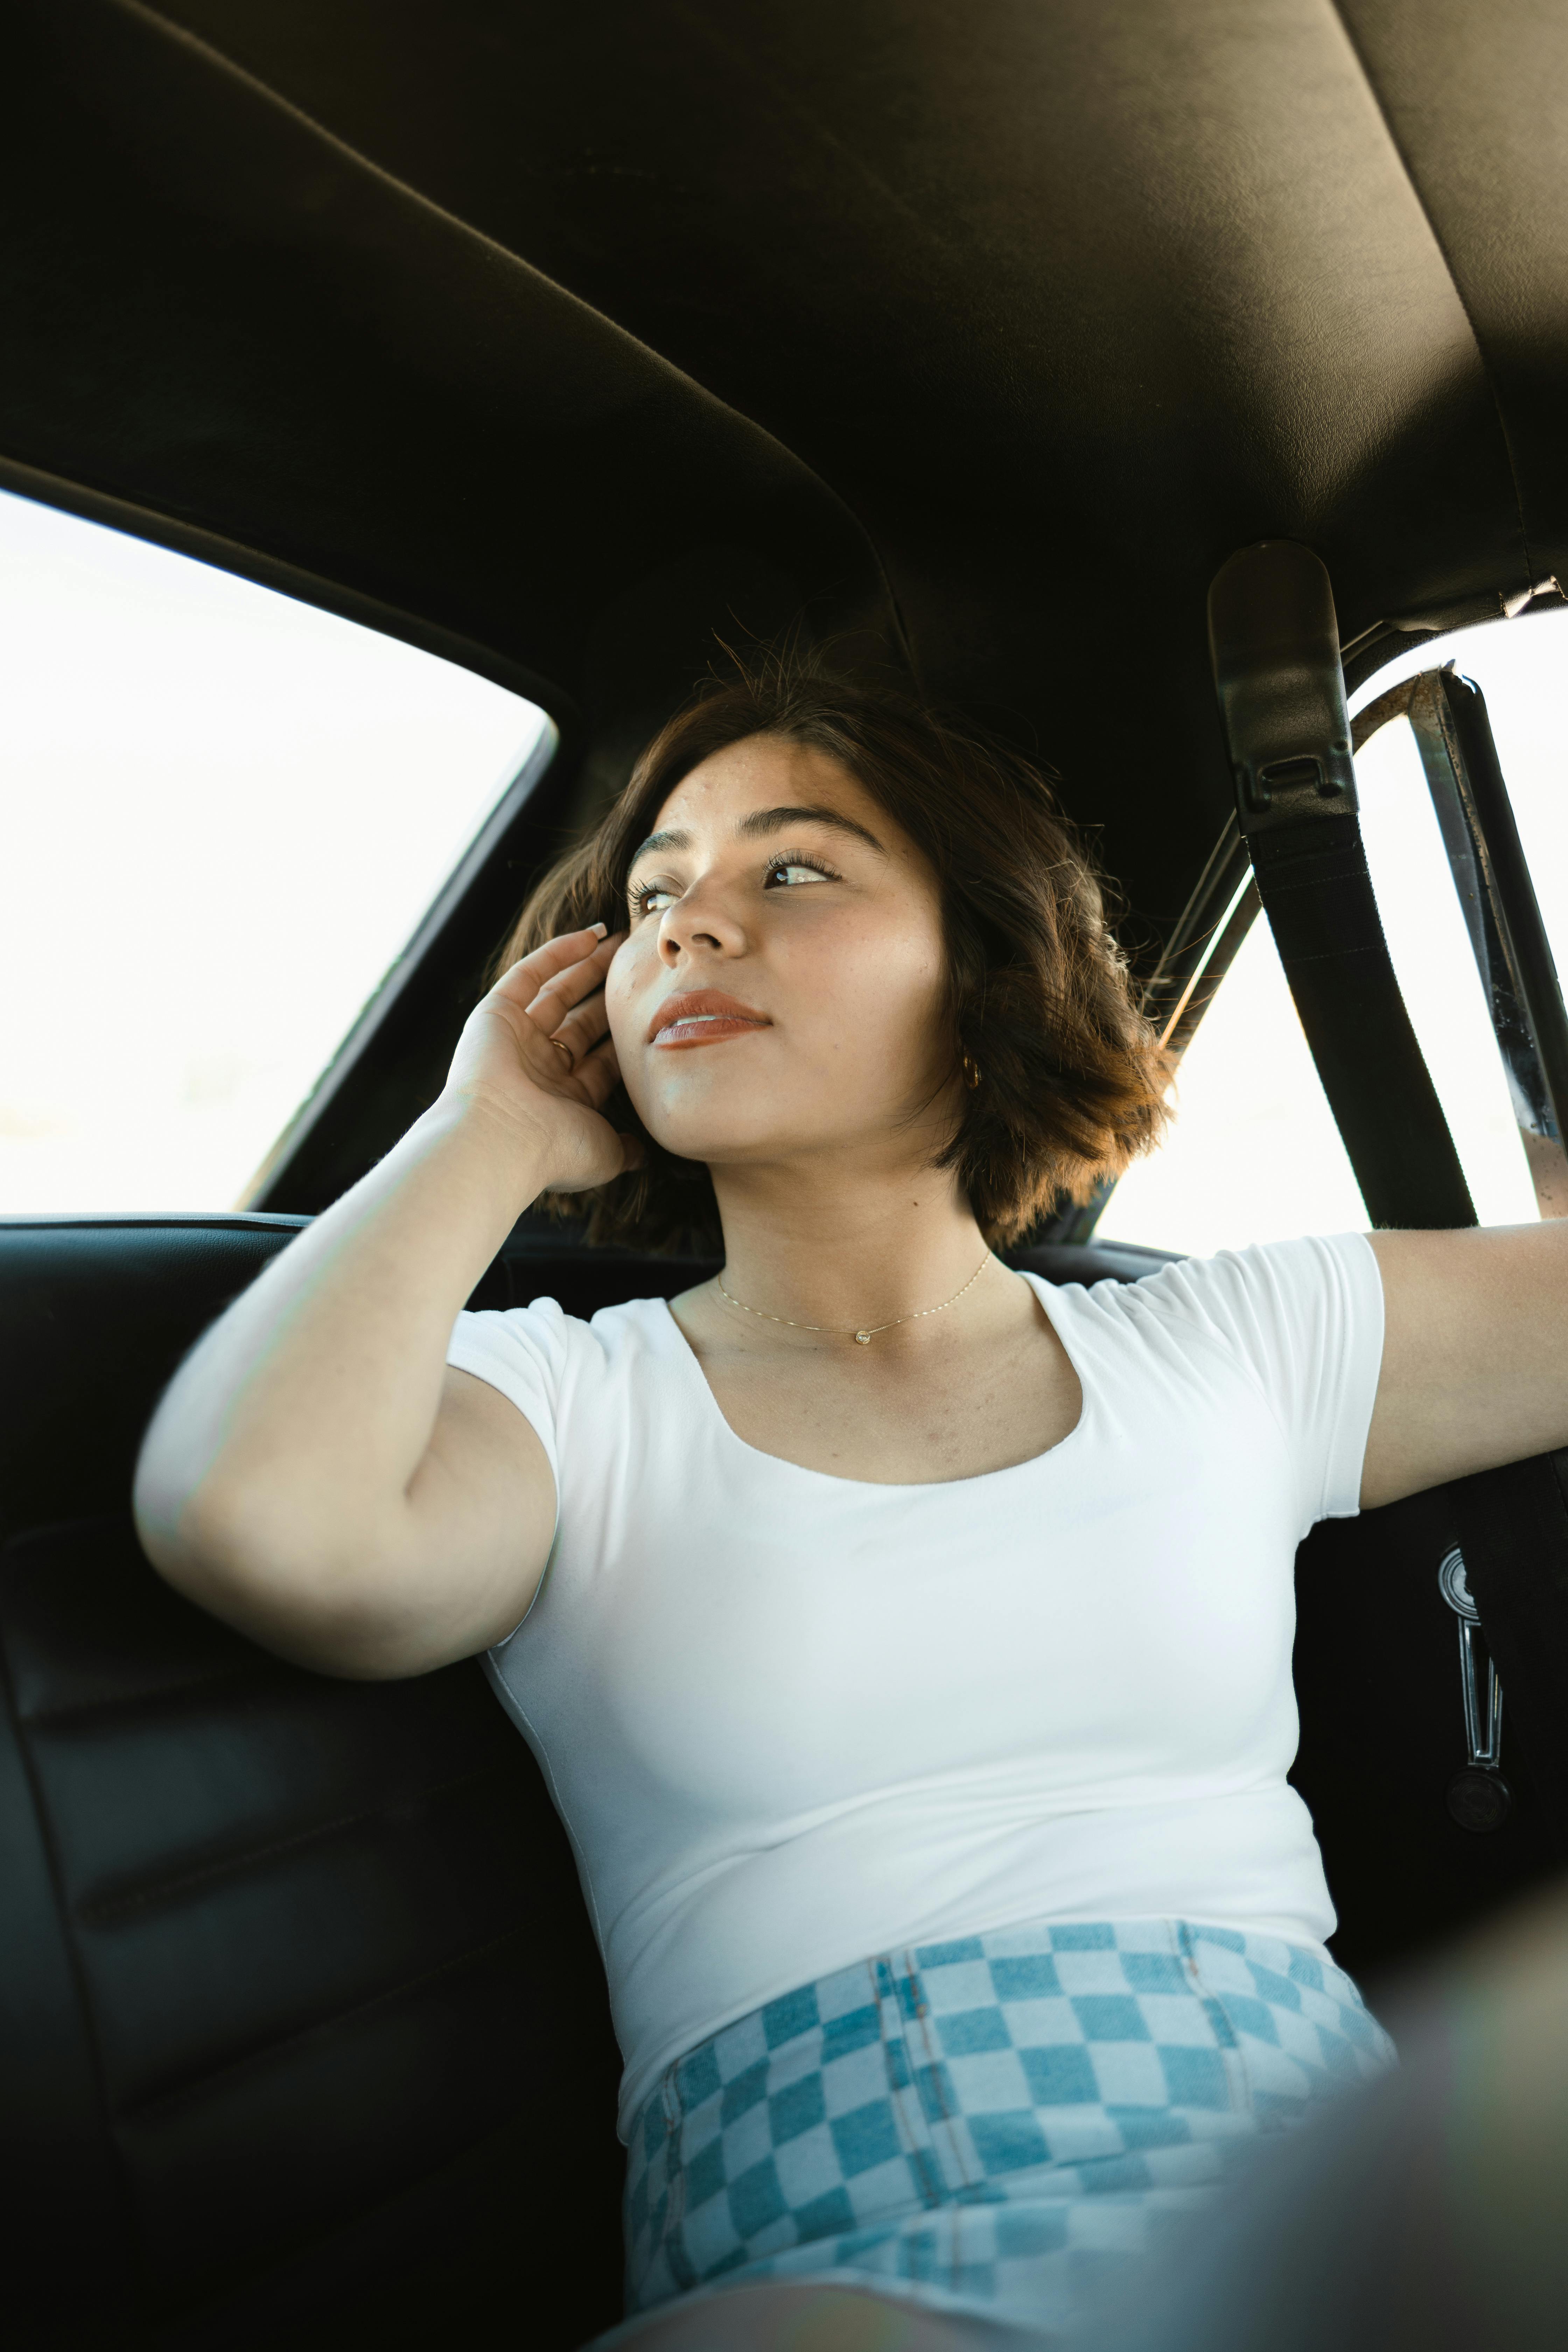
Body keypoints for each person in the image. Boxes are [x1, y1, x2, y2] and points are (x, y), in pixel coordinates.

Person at [133, 660, 1568, 2351]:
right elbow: (262, 1525)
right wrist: (489, 1129)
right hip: (844, 2264)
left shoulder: (1238, 1343)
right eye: (653, 894)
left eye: (789, 870)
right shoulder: (572, 1402)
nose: (689, 926)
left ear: (988, 960)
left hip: (1324, 2194)